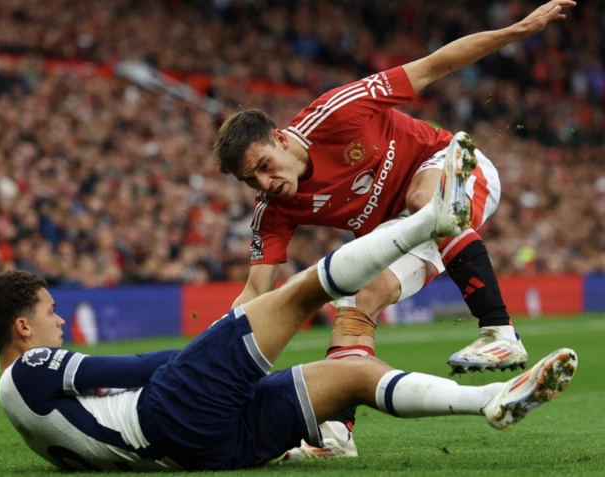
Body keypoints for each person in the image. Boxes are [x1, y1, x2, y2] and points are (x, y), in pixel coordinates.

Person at [0, 152, 577, 472]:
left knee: (350, 378)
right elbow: (133, 368)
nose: (59, 320)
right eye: (51, 312)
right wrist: (219, 350)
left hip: (196, 451)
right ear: (22, 327)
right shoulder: (24, 372)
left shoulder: (25, 411)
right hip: (168, 413)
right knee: (298, 294)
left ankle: (491, 401)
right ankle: (430, 219)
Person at [213, 0, 576, 455]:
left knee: (426, 201)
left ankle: (499, 332)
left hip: (454, 171)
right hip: (408, 228)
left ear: (281, 139)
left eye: (265, 166)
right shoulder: (274, 208)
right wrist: (207, 360)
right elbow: (255, 293)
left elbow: (435, 65)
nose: (266, 184)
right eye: (252, 180)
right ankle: (336, 434)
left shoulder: (338, 112)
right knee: (356, 303)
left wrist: (518, 31)